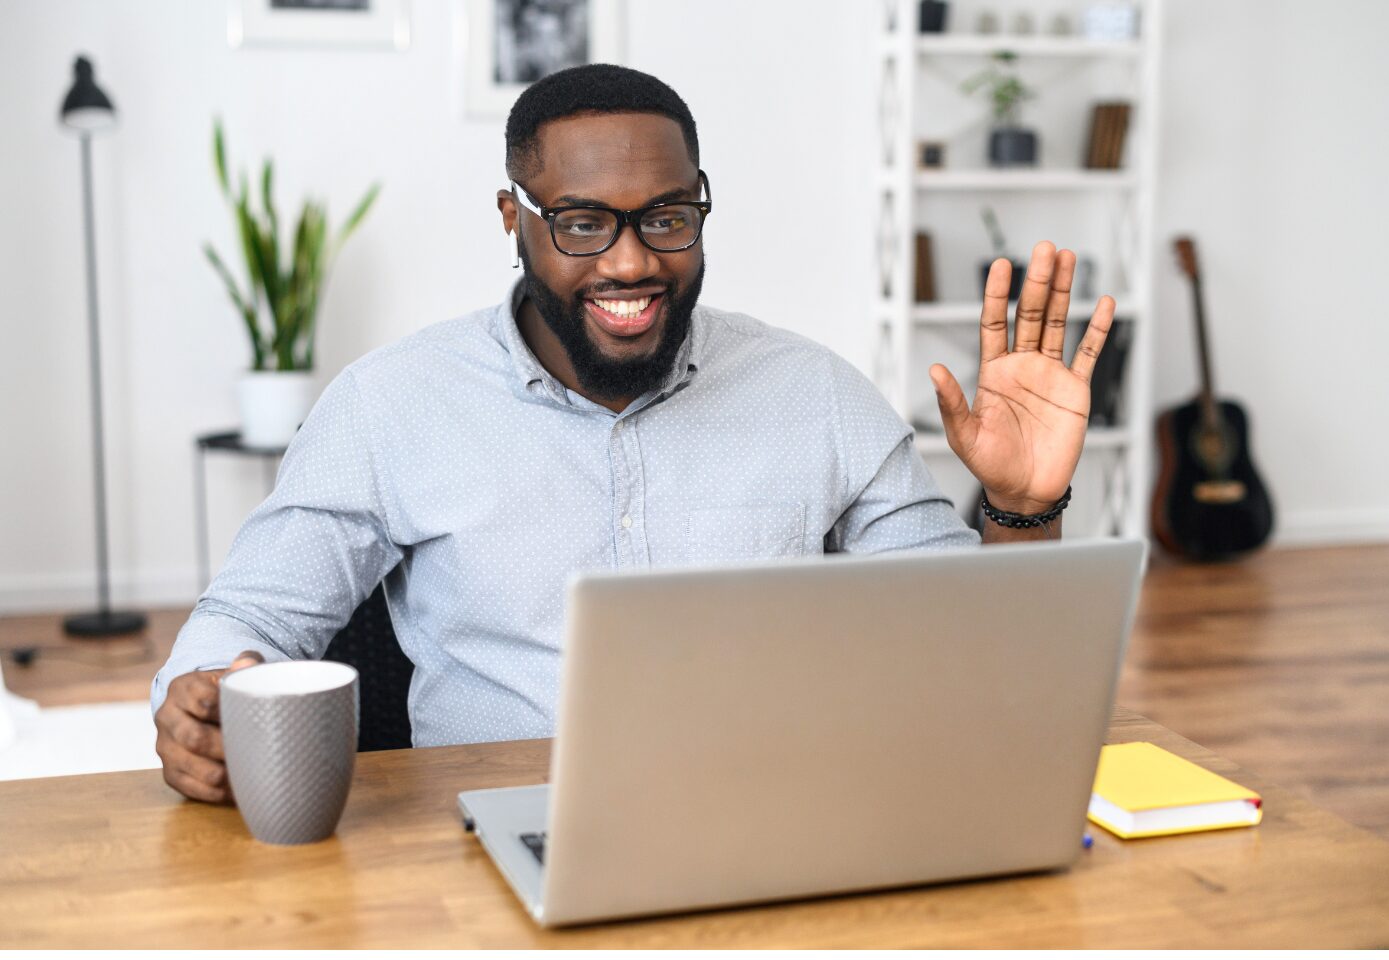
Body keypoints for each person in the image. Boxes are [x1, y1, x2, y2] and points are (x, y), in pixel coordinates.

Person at [151, 64, 1114, 804]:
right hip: (493, 830)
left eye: (665, 217)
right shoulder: (390, 405)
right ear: (512, 218)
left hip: (779, 815)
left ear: (699, 202)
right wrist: (204, 701)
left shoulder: (812, 393)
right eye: (579, 223)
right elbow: (250, 618)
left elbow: (971, 651)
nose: (629, 261)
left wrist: (1022, 509)